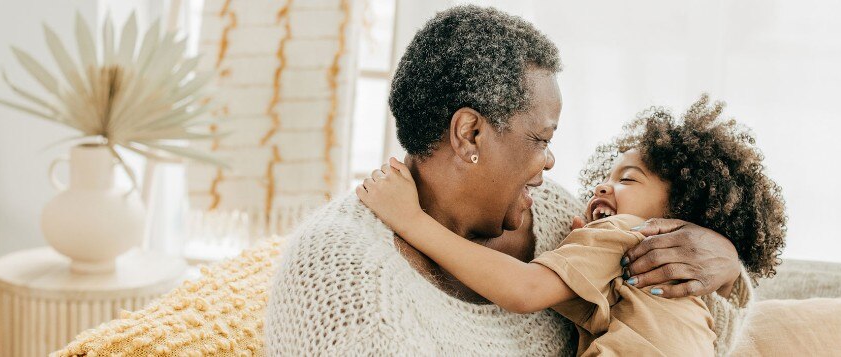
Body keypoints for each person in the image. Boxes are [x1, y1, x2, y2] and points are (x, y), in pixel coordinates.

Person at [265, 6, 752, 355]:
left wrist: (721, 265)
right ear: (469, 133)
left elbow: (682, 329)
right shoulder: (345, 282)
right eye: (540, 139)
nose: (551, 162)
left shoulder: (560, 216)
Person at [358, 95, 788, 356]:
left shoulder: (629, 232)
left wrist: (410, 219)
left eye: (628, 179)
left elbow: (525, 290)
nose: (604, 183)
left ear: (678, 214)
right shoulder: (687, 286)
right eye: (610, 173)